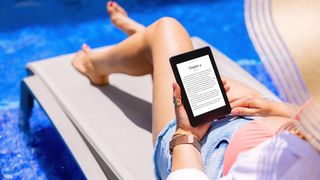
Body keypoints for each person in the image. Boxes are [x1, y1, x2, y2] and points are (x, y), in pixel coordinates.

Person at [72, 1, 320, 179]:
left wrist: (186, 136)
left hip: (205, 149)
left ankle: (96, 64)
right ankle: (147, 47)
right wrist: (276, 108)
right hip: (271, 119)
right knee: (192, 73)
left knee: (167, 30)